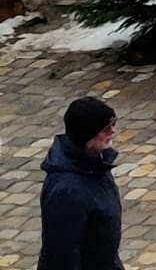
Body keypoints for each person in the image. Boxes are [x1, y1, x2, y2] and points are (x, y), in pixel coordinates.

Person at [38, 95, 122, 270]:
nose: (112, 131)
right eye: (106, 128)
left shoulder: (96, 164)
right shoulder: (66, 191)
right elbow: (61, 256)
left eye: (113, 123)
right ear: (88, 135)